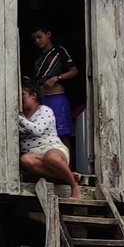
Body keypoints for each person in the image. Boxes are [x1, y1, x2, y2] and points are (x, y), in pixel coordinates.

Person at [19, 84, 80, 199]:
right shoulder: (22, 115)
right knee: (25, 160)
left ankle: (74, 186)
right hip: (33, 154)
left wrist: (18, 118)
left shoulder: (45, 110)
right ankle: (65, 175)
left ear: (33, 96)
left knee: (51, 159)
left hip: (52, 148)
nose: (20, 98)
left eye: (23, 95)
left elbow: (37, 130)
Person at [29, 27, 79, 159]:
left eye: (39, 37)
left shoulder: (58, 51)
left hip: (56, 99)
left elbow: (74, 71)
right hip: (42, 100)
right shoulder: (38, 58)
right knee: (44, 134)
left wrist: (56, 78)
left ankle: (67, 167)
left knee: (62, 133)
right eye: (34, 39)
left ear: (48, 34)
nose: (37, 41)